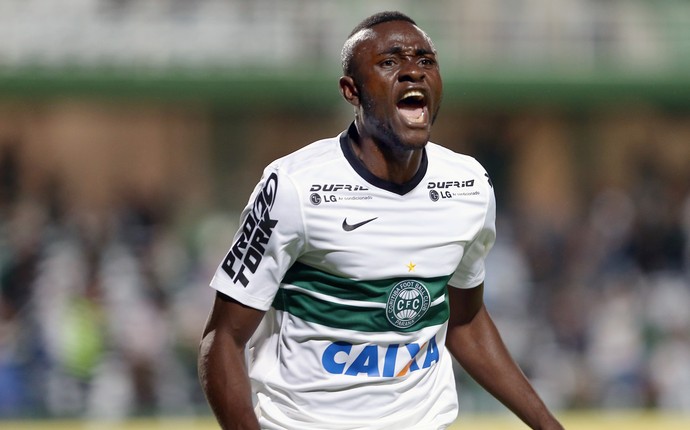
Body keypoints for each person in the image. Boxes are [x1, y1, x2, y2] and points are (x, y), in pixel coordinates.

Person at [198, 11, 564, 430]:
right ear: (351, 91)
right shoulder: (294, 187)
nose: (413, 71)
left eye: (425, 60)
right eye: (389, 62)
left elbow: (464, 321)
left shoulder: (469, 187)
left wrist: (547, 425)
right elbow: (223, 339)